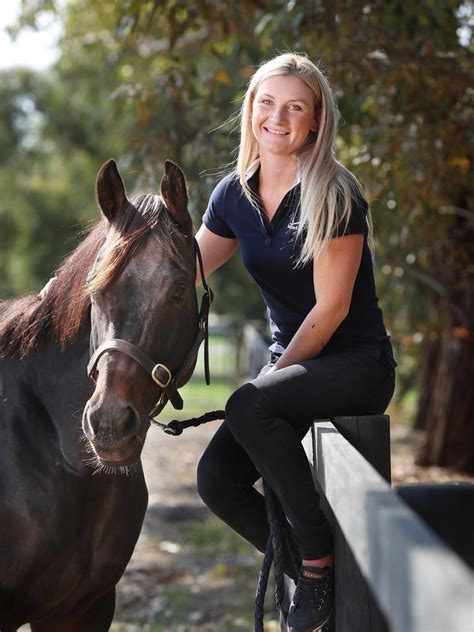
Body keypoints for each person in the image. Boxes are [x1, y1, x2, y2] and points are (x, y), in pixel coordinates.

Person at [194, 52, 396, 632]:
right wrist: (88, 283)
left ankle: (317, 565)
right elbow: (184, 270)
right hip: (294, 371)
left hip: (356, 365)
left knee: (248, 403)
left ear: (315, 121)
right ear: (250, 107)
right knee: (216, 480)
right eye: (266, 102)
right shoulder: (233, 194)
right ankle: (318, 568)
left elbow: (330, 311)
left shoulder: (335, 192)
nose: (277, 117)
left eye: (294, 107)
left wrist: (269, 379)